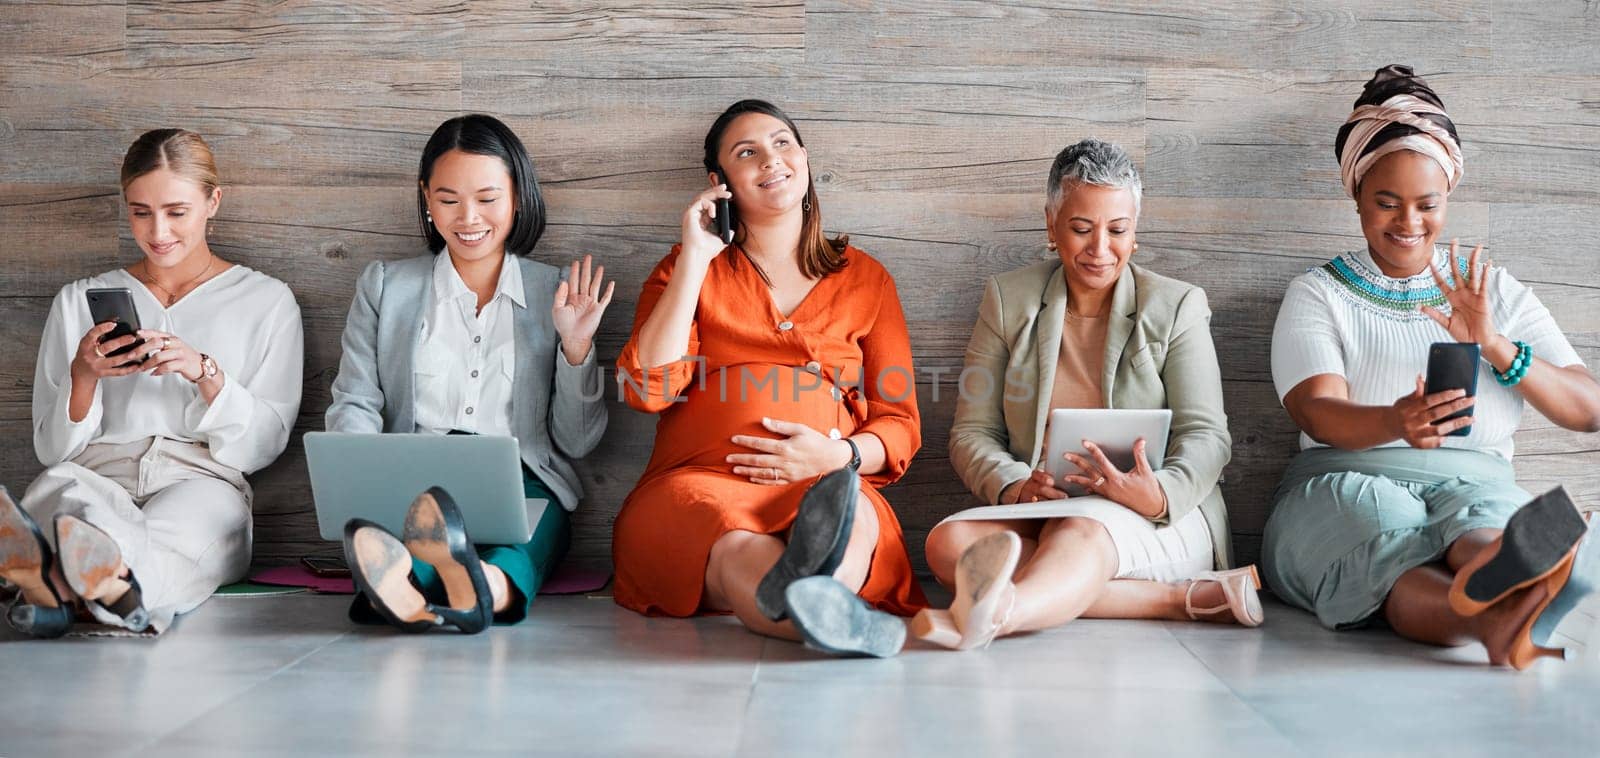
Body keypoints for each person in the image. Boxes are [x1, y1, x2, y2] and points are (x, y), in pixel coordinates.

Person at [1263, 65, 1600, 669]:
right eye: (1387, 203)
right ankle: (1501, 617)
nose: (1409, 223)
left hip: (1474, 479)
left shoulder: (1494, 291)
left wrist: (1497, 347)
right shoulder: (1318, 293)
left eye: (1427, 204)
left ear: (1449, 198)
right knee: (1389, 538)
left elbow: (1589, 409)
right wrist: (1397, 419)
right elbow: (1317, 410)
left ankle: (1514, 572)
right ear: (1357, 196)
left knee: (1484, 525)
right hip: (1344, 480)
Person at [914, 138, 1261, 651]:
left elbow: (1207, 434)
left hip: (1158, 514)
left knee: (1075, 532)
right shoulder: (1010, 300)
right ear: (1051, 226)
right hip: (1042, 508)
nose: (1100, 249)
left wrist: (1159, 492)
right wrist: (1014, 488)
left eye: (1117, 230)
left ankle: (996, 615)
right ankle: (1178, 599)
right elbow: (973, 432)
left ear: (1135, 232)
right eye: (1081, 229)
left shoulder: (1178, 305)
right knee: (948, 543)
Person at [611, 99, 924, 657]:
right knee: (733, 546)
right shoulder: (683, 269)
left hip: (824, 478)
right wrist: (695, 258)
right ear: (720, 182)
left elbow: (898, 420)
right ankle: (832, 609)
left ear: (803, 158)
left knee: (847, 522)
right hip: (699, 481)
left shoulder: (867, 279)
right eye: (746, 152)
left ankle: (821, 594)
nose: (770, 160)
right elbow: (646, 389)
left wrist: (840, 458)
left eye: (782, 143)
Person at [0, 128, 303, 636]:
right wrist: (84, 375)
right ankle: (99, 582)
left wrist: (203, 372)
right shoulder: (80, 300)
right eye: (141, 212)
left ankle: (61, 581)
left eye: (176, 212)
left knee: (182, 535)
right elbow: (54, 450)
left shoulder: (267, 301)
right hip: (98, 468)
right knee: (68, 492)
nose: (157, 231)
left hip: (201, 477)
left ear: (213, 202)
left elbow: (260, 447)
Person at [327, 114, 611, 633]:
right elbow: (355, 401)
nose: (468, 217)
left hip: (526, 479)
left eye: (487, 198)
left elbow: (579, 441)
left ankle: (474, 587)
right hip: (410, 478)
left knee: (516, 551)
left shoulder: (557, 292)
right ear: (427, 200)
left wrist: (576, 347)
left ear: (517, 197)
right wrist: (361, 484)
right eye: (448, 199)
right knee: (406, 547)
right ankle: (429, 584)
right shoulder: (386, 286)